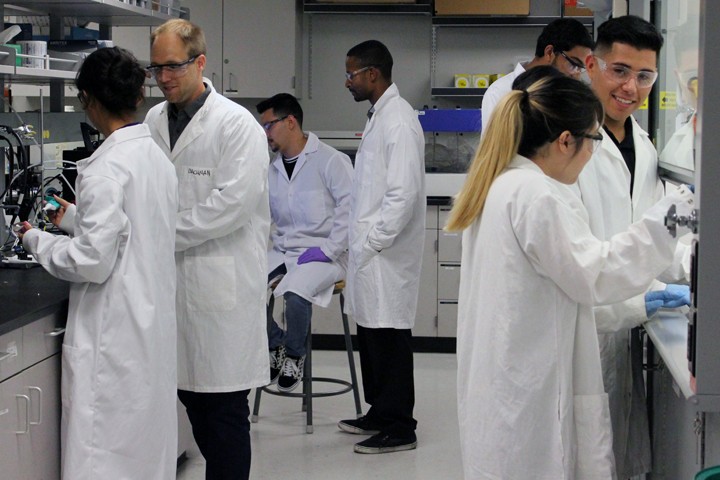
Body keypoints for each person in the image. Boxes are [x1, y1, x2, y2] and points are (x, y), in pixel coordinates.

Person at [446, 73, 694, 479]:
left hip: (506, 381)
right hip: (529, 393)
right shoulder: (536, 194)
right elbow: (594, 273)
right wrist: (670, 220)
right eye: (594, 140)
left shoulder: (505, 184)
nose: (594, 153)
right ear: (565, 140)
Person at [19, 46, 178, 479]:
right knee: (143, 452)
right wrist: (72, 217)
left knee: (102, 454)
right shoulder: (155, 156)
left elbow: (92, 261)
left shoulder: (107, 168)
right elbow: (134, 230)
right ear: (137, 96)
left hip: (115, 336)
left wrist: (36, 240)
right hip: (148, 330)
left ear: (87, 99)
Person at [145, 19, 270, 480]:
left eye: (173, 66)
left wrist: (156, 232)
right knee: (192, 404)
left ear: (200, 62)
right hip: (171, 289)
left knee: (222, 416)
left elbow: (230, 208)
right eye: (155, 68)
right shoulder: (154, 120)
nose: (163, 78)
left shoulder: (238, 126)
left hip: (222, 293)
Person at [579, 16, 691, 478]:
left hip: (622, 327)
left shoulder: (643, 146)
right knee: (580, 453)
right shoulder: (567, 143)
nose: (631, 87)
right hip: (583, 331)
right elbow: (578, 263)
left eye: (645, 76)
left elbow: (653, 236)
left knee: (617, 452)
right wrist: (638, 298)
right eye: (619, 71)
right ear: (591, 65)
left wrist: (689, 269)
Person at [337, 39, 425, 454]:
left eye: (352, 74)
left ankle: (399, 426)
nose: (348, 81)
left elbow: (402, 196)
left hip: (385, 256)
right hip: (371, 255)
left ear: (373, 74)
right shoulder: (380, 117)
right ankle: (378, 411)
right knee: (372, 335)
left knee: (389, 339)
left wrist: (372, 243)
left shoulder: (399, 122)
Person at [255, 93, 353, 392]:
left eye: (269, 126)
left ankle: (296, 356)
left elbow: (351, 210)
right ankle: (276, 345)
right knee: (246, 287)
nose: (265, 133)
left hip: (327, 253)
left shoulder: (331, 161)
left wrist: (328, 250)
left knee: (296, 294)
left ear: (290, 122)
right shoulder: (270, 168)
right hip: (285, 249)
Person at [481, 18, 594, 128]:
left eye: (581, 68)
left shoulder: (567, 95)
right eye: (573, 64)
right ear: (549, 52)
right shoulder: (500, 92)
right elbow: (494, 146)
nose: (577, 76)